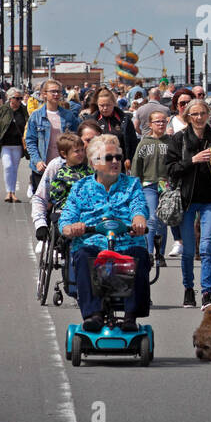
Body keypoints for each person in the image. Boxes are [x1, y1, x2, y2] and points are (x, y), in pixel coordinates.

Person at [59, 135, 153, 332]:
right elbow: (66, 219)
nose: (116, 162)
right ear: (94, 163)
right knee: (84, 255)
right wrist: (71, 228)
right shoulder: (81, 187)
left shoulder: (132, 184)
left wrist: (138, 221)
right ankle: (94, 314)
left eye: (118, 157)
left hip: (125, 242)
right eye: (109, 158)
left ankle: (130, 317)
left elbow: (139, 208)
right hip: (93, 242)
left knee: (140, 255)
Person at [165, 98, 211, 308]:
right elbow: (170, 169)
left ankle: (206, 292)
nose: (199, 118)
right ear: (188, 117)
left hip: (209, 200)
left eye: (202, 114)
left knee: (206, 248)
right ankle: (189, 289)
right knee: (189, 250)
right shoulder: (179, 139)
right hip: (186, 200)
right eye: (194, 114)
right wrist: (193, 160)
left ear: (208, 115)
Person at [32, 133, 92, 240]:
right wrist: (41, 224)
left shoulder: (89, 170)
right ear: (64, 154)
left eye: (82, 150)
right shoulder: (59, 171)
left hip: (88, 210)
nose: (81, 153)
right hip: (65, 211)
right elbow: (52, 197)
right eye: (76, 151)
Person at [132, 110, 172, 264]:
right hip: (148, 184)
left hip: (166, 185)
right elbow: (137, 165)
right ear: (150, 124)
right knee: (152, 218)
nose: (161, 124)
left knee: (163, 220)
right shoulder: (144, 142)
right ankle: (148, 252)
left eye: (163, 121)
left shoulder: (171, 142)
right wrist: (135, 186)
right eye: (157, 122)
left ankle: (160, 253)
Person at [25, 79, 80, 177]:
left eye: (58, 91)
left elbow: (77, 138)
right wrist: (37, 161)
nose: (56, 94)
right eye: (53, 91)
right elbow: (30, 141)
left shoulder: (68, 115)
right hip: (43, 167)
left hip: (65, 167)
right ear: (44, 94)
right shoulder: (36, 116)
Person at [0, 87, 29, 203]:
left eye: (20, 98)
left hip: (18, 144)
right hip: (4, 144)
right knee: (8, 166)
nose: (19, 100)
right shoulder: (2, 109)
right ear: (10, 99)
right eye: (17, 98)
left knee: (14, 169)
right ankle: (8, 191)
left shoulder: (23, 110)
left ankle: (13, 193)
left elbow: (28, 123)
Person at [83, 89, 138, 168]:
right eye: (101, 105)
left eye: (108, 105)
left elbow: (133, 142)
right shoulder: (91, 121)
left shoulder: (124, 120)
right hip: (99, 164)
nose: (105, 108)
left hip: (120, 164)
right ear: (97, 105)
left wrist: (129, 159)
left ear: (114, 103)